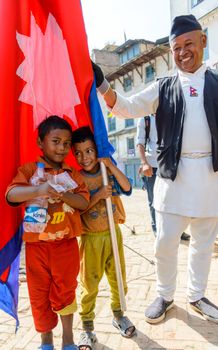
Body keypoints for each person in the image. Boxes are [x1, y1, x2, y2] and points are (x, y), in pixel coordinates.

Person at [92, 14, 218, 324]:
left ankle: (197, 294)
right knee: (165, 243)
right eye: (176, 47)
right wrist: (102, 83)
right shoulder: (162, 86)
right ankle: (164, 294)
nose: (182, 51)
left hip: (211, 177)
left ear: (203, 41)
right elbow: (126, 106)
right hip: (173, 178)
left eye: (189, 43)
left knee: (203, 243)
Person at [6, 115, 90, 350]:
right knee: (38, 294)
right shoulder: (29, 170)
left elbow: (83, 203)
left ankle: (68, 339)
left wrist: (63, 194)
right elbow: (11, 195)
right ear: (40, 143)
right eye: (56, 141)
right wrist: (39, 189)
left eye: (66, 143)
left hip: (66, 246)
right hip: (36, 248)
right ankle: (46, 340)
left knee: (66, 290)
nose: (62, 148)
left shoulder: (72, 176)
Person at [71, 127, 135, 350]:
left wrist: (109, 165)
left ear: (96, 150)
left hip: (112, 234)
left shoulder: (105, 171)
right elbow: (77, 209)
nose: (84, 157)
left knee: (118, 277)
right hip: (90, 239)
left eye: (89, 151)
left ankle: (119, 315)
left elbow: (127, 187)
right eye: (78, 153)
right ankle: (87, 328)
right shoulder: (76, 178)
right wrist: (97, 195)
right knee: (89, 285)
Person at [136, 115, 190, 241]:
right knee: (154, 200)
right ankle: (158, 230)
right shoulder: (145, 119)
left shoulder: (171, 113)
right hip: (152, 165)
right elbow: (140, 142)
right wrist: (144, 163)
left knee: (175, 198)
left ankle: (178, 231)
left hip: (171, 164)